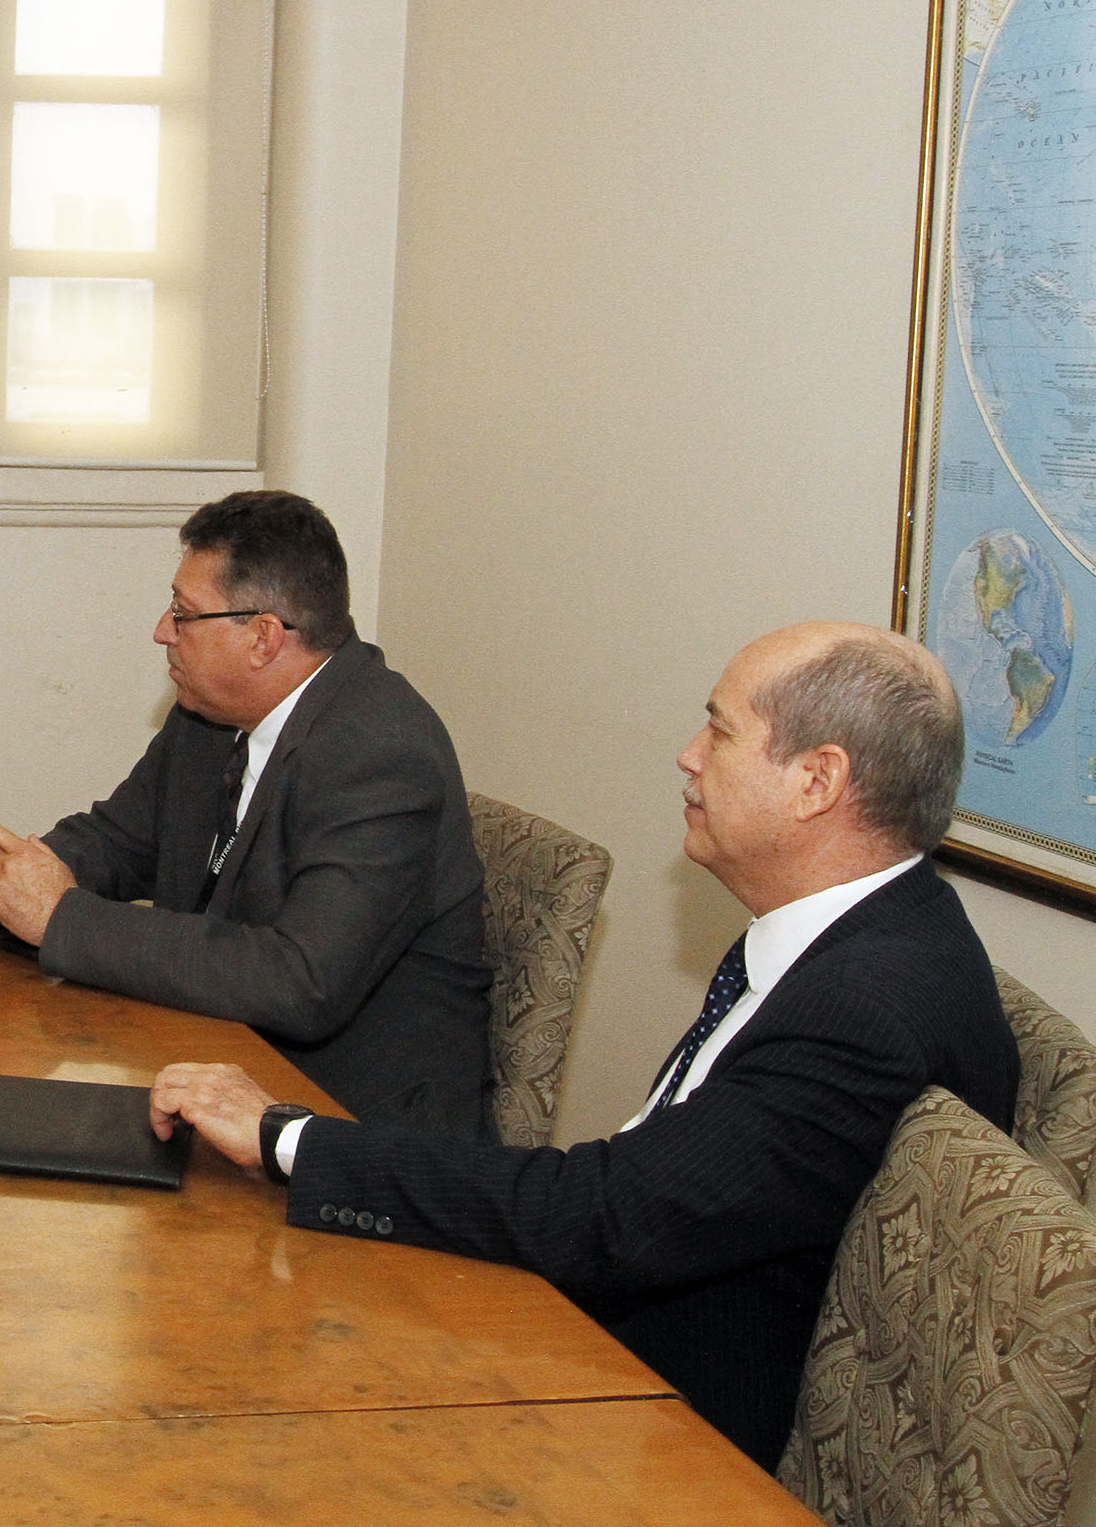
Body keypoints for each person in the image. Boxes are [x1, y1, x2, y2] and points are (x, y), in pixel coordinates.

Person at [146, 622, 1020, 1469]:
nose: (688, 755)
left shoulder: (863, 1007)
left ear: (817, 781)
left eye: (719, 731)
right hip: (616, 1325)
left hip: (660, 1431)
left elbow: (610, 1217)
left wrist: (286, 1137)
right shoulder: (865, 932)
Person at [0, 489, 486, 1132]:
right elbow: (121, 840)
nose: (161, 631)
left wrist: (60, 917)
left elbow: (301, 981)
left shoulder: (379, 754)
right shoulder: (209, 717)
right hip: (213, 1064)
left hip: (348, 1127)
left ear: (263, 638)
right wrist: (16, 876)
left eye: (183, 614)